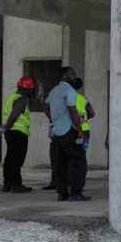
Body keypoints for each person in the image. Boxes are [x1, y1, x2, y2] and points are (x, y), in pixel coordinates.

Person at [44, 66, 88, 202]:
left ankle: (62, 193)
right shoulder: (70, 90)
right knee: (78, 162)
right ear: (64, 76)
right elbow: (73, 111)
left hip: (57, 133)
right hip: (69, 132)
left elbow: (45, 105)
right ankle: (76, 193)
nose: (75, 77)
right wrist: (80, 130)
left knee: (60, 164)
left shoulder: (54, 91)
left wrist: (52, 119)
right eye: (72, 74)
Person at [0, 76, 38, 193]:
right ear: (26, 89)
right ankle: (16, 185)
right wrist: (6, 127)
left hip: (11, 133)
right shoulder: (22, 99)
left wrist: (5, 128)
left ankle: (7, 184)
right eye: (31, 89)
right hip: (18, 133)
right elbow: (14, 115)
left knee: (10, 158)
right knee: (17, 160)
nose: (32, 91)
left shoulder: (12, 97)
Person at [73, 77, 96, 153]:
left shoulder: (68, 98)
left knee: (72, 155)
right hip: (85, 130)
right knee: (82, 154)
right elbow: (92, 113)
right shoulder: (83, 99)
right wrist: (83, 119)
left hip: (74, 130)